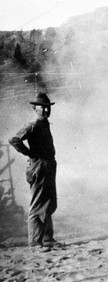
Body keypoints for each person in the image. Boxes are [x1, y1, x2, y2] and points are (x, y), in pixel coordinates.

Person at [9, 92, 58, 252]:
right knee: (38, 205)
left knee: (49, 203)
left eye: (47, 108)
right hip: (39, 166)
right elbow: (15, 139)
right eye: (42, 108)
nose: (45, 111)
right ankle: (35, 243)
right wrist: (30, 153)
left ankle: (47, 239)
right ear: (35, 109)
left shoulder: (44, 123)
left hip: (48, 165)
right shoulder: (34, 124)